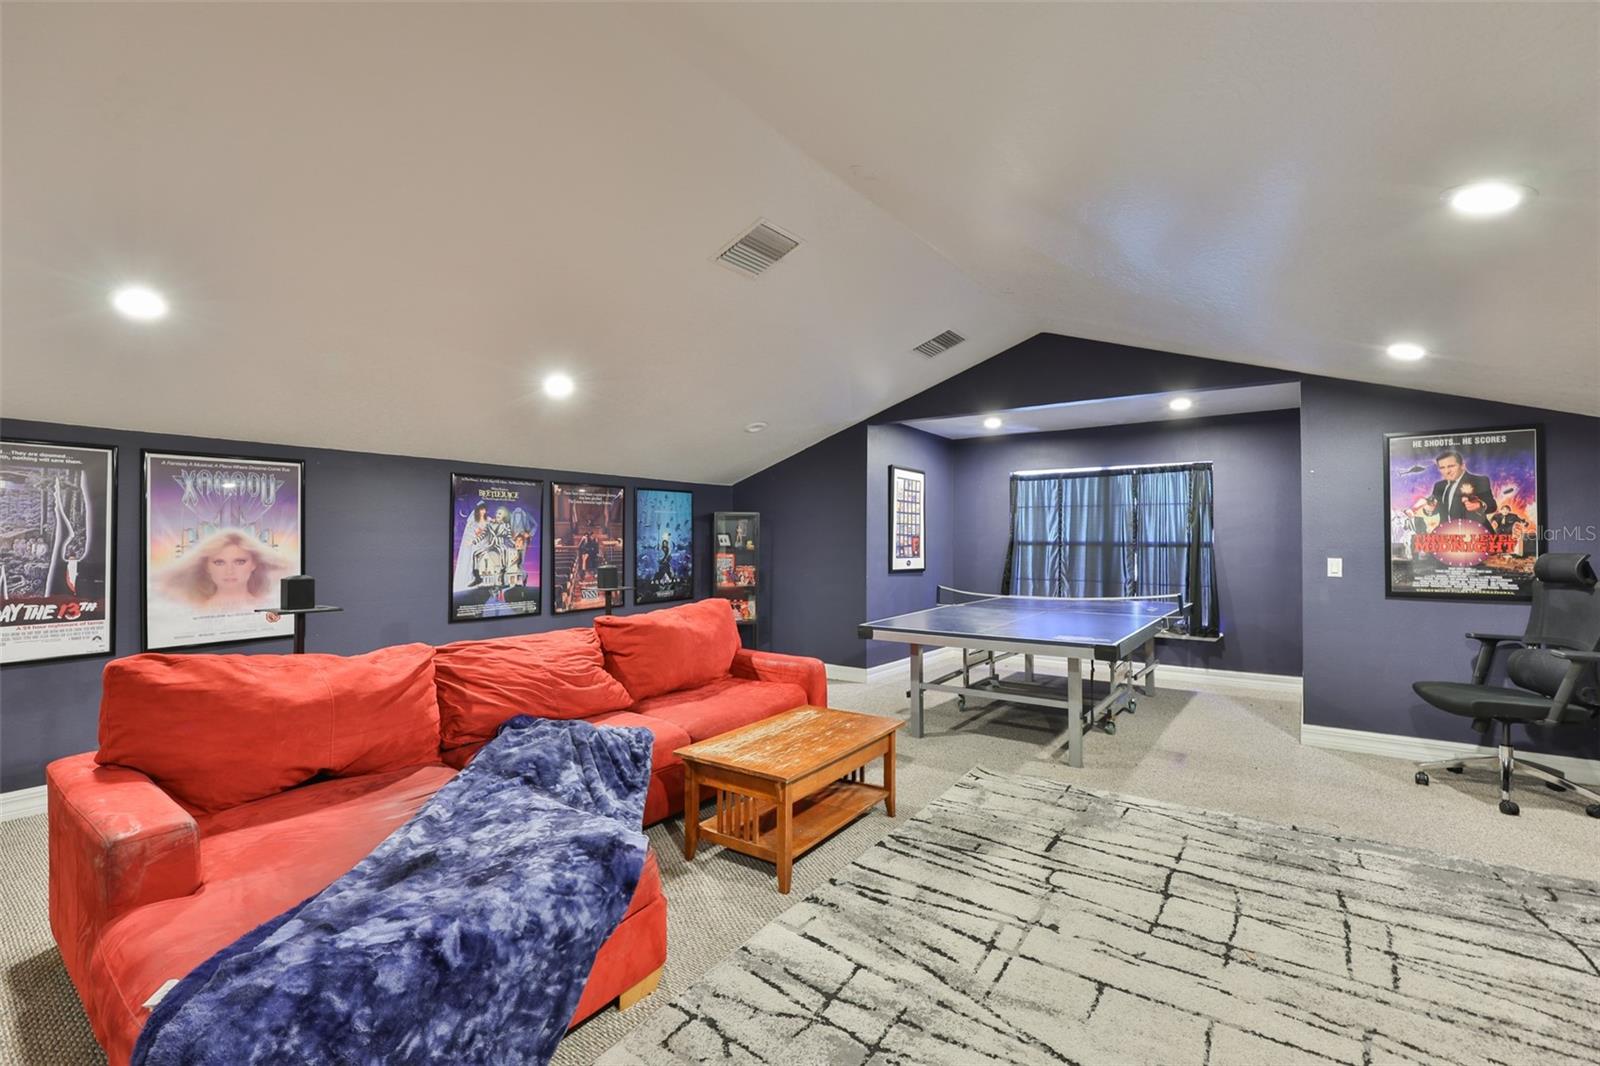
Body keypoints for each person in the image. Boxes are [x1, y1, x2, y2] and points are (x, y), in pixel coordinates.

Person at [162, 529, 288, 612]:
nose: (229, 571)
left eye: (239, 562)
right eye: (219, 562)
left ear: (254, 564)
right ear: (207, 567)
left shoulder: (268, 606)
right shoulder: (193, 610)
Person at [1430, 450, 1493, 521]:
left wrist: (1479, 505)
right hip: (1447, 527)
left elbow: (1492, 506)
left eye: (1451, 466)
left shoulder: (1479, 481)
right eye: (1442, 468)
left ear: (1462, 466)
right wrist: (1428, 508)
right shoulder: (1438, 486)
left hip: (1474, 527)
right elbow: (1435, 509)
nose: (1447, 471)